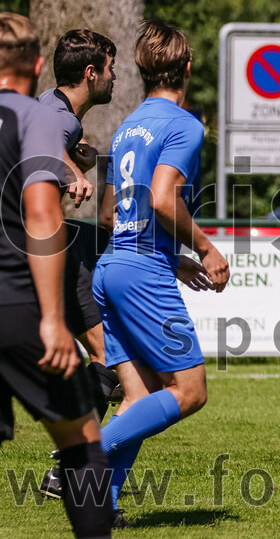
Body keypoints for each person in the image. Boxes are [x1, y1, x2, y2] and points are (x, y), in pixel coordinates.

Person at [92, 20, 229, 524]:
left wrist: (175, 259)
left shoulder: (128, 126)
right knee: (189, 391)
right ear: (187, 67)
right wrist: (207, 248)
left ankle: (103, 507)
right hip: (141, 271)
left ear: (143, 70)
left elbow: (111, 214)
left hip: (112, 268)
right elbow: (165, 198)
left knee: (144, 392)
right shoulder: (185, 125)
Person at [0, 12, 112, 537]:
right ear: (37, 64)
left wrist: (72, 163)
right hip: (17, 295)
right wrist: (50, 319)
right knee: (85, 439)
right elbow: (43, 214)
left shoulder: (50, 121)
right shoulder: (46, 115)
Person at [38, 30, 122, 500]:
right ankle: (70, 470)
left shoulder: (50, 106)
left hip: (45, 248)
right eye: (111, 68)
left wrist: (75, 164)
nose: (115, 76)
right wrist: (71, 170)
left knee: (108, 356)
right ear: (91, 73)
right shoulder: (61, 121)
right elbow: (42, 152)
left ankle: (67, 468)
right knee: (111, 357)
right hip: (33, 253)